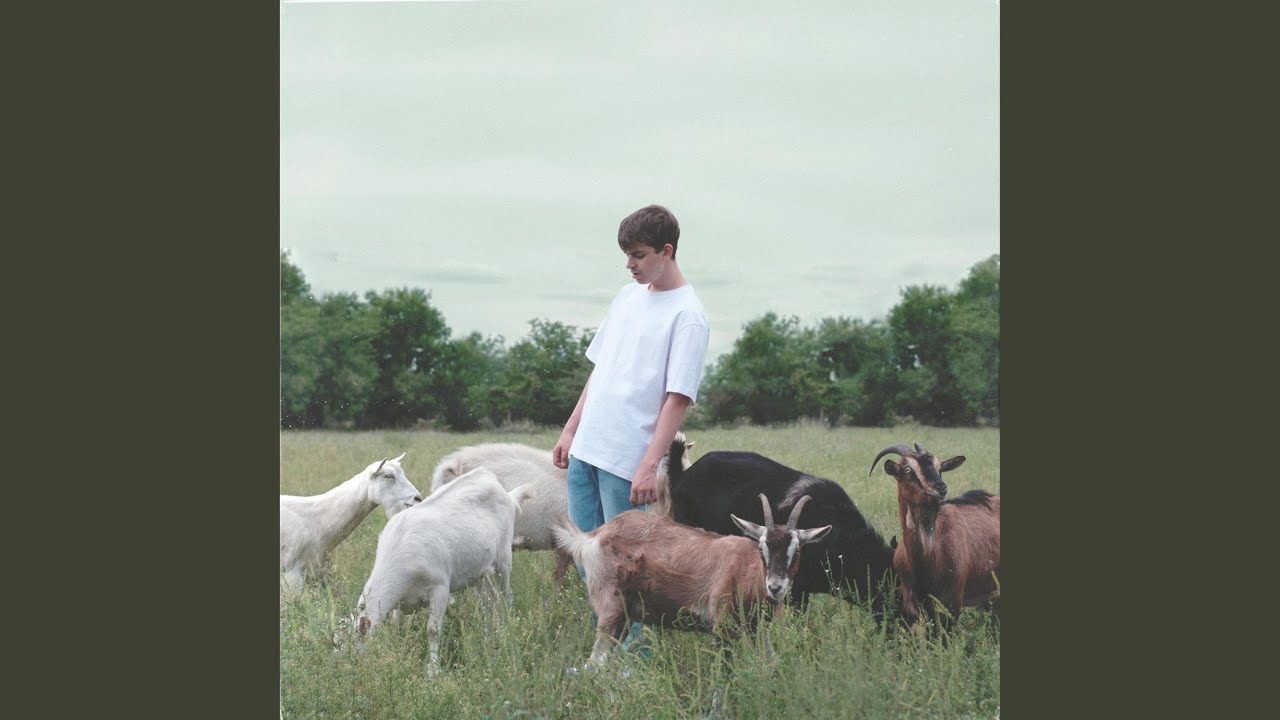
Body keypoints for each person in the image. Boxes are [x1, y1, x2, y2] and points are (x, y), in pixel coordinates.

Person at [552, 203, 709, 661]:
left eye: (638, 255)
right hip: (587, 451)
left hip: (627, 461)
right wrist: (570, 431)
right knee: (591, 563)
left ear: (667, 251)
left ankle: (634, 666)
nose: (629, 265)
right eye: (626, 255)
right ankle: (604, 658)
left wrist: (648, 465)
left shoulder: (688, 315)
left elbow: (677, 398)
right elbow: (599, 370)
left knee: (630, 572)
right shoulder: (626, 297)